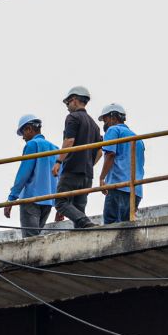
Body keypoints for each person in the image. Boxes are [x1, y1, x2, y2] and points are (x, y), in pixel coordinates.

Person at [51, 86, 102, 228]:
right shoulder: (94, 125)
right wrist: (88, 165)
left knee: (60, 202)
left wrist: (58, 162)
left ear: (73, 100)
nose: (67, 107)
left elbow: (69, 141)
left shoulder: (73, 117)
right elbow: (99, 152)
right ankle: (84, 227)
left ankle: (85, 222)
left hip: (72, 170)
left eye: (67, 103)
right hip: (87, 175)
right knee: (79, 208)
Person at [5, 114, 59, 238]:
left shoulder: (32, 145)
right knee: (37, 239)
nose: (23, 137)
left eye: (23, 132)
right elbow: (58, 177)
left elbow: (23, 174)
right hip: (48, 201)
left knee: (30, 240)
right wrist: (59, 205)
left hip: (31, 200)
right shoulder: (54, 148)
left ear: (29, 128)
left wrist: (11, 199)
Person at [97, 103, 145, 224]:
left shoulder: (113, 130)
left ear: (113, 117)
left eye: (105, 120)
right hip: (136, 190)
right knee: (126, 227)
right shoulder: (137, 138)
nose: (105, 124)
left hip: (118, 186)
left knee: (112, 226)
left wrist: (102, 178)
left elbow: (110, 155)